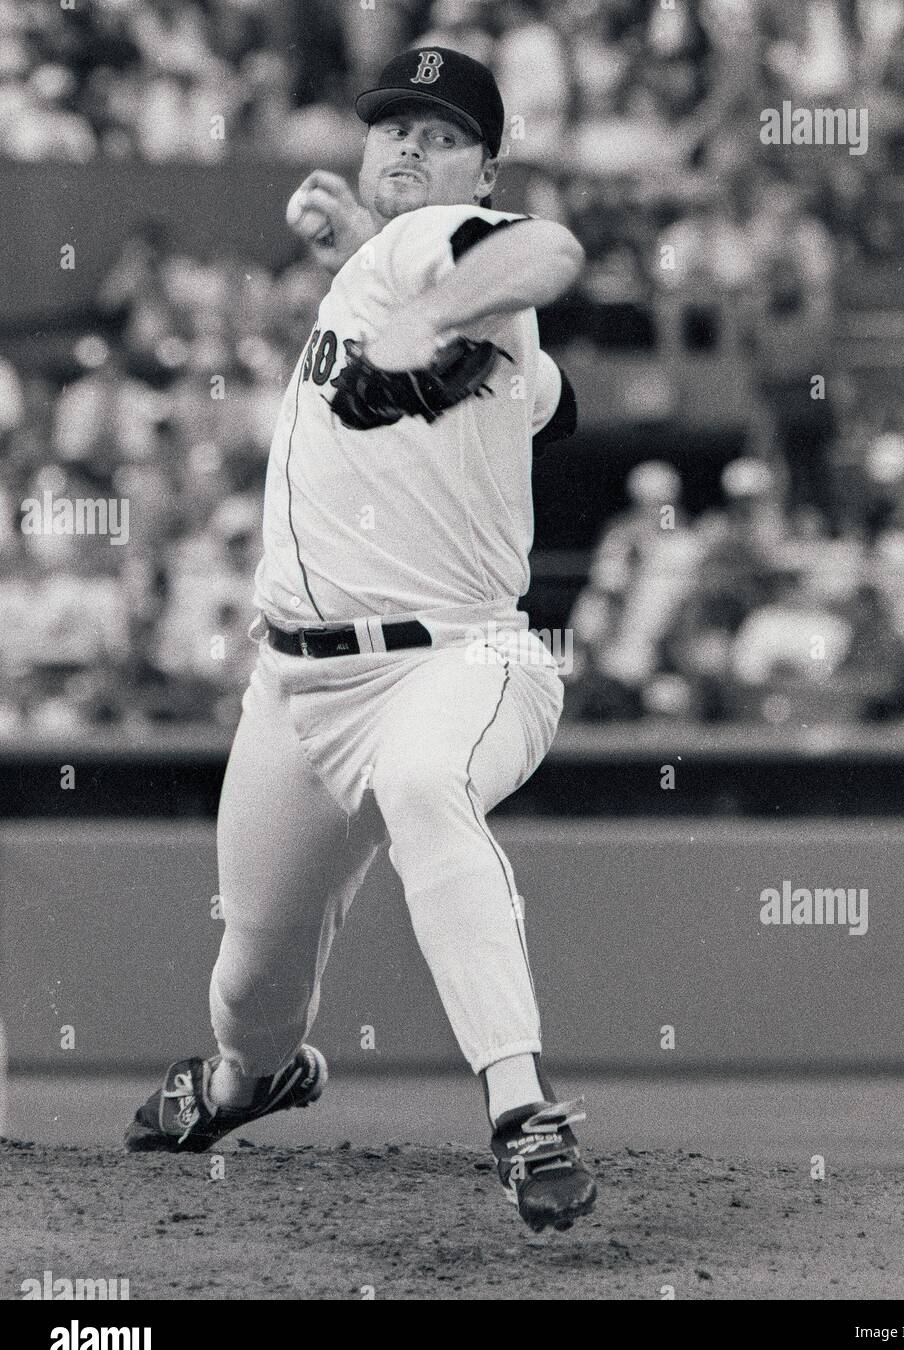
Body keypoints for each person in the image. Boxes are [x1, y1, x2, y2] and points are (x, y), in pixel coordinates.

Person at [124, 47, 596, 1234]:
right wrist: (369, 273)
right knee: (251, 992)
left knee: (426, 781)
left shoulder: (462, 250)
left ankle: (522, 1112)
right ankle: (250, 1081)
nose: (404, 148)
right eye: (391, 127)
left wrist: (419, 299)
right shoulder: (389, 269)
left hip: (455, 663)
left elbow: (550, 252)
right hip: (292, 691)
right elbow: (528, 393)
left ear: (486, 165)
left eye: (439, 134)